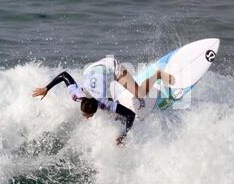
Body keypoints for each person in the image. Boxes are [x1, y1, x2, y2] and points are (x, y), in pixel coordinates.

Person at [32, 57, 174, 145]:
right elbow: (64, 75)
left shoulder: (103, 101)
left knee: (140, 93)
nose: (87, 117)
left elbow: (130, 114)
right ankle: (116, 109)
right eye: (85, 114)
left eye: (88, 115)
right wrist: (46, 88)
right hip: (92, 69)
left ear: (98, 106)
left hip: (111, 67)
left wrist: (125, 135)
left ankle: (158, 75)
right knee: (114, 113)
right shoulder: (76, 94)